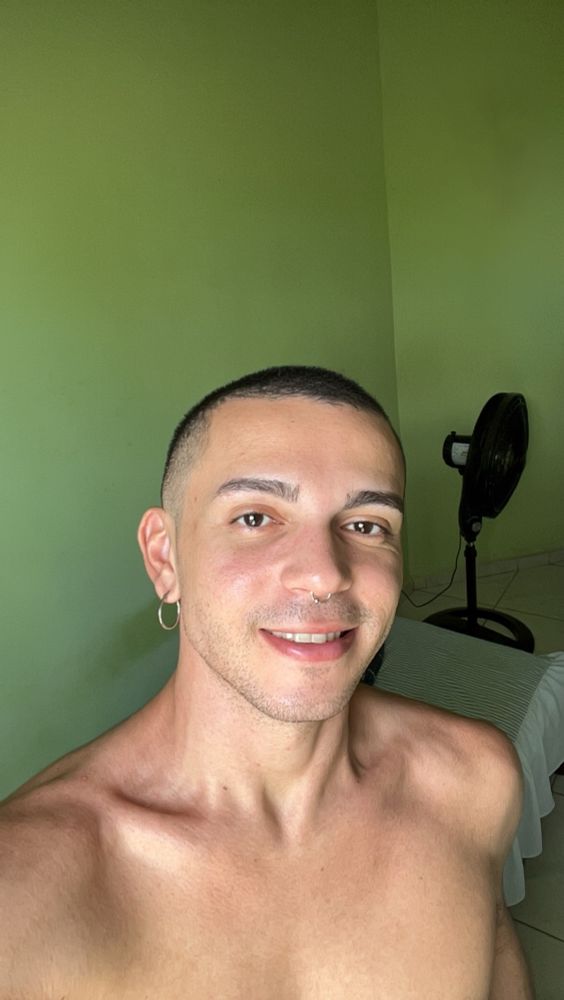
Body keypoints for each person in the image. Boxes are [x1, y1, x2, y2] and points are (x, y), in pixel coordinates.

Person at [0, 365, 534, 999]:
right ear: (165, 557)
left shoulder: (475, 781)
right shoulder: (24, 901)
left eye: (366, 524)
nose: (325, 574)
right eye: (255, 517)